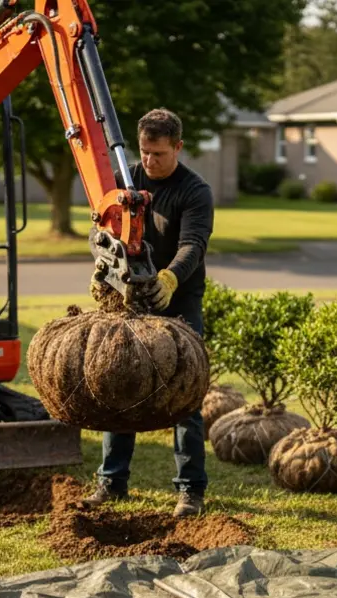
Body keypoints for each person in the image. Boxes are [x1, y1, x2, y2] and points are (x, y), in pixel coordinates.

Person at [84, 108, 214, 518]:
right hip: (129, 297)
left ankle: (190, 491)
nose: (149, 161)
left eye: (159, 153)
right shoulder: (125, 181)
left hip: (179, 299)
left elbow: (193, 244)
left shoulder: (195, 190)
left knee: (184, 395)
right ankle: (111, 482)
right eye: (144, 151)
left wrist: (169, 279)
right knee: (119, 385)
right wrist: (103, 269)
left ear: (178, 147)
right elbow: (101, 231)